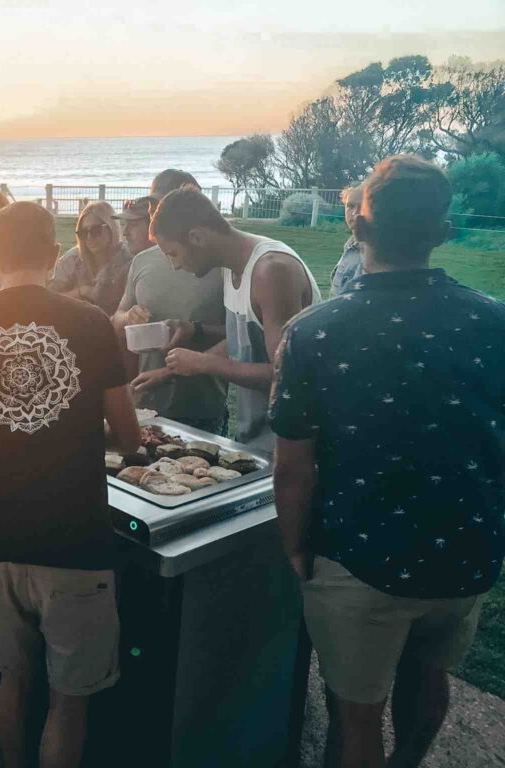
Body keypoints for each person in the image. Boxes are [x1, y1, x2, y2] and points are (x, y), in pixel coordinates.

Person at [270, 155, 505, 768]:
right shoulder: (495, 322)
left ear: (359, 230)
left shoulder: (313, 332)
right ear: (443, 233)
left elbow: (292, 465)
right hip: (465, 550)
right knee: (430, 673)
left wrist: (295, 547)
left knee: (355, 710)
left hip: (358, 557)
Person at [0, 201, 140, 768]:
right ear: (53, 255)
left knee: (13, 683)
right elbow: (129, 435)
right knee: (69, 701)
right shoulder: (91, 325)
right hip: (76, 541)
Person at [133, 186, 321, 448]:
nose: (174, 265)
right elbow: (241, 342)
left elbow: (286, 374)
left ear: (196, 237)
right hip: (258, 439)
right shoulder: (230, 268)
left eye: (173, 253)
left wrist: (203, 364)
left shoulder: (272, 271)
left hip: (295, 445)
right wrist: (171, 369)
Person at [112, 177, 227, 434]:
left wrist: (195, 330)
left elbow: (241, 337)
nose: (155, 215)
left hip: (202, 409)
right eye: (152, 208)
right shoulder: (142, 261)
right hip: (147, 405)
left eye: (161, 206)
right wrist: (128, 316)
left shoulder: (219, 265)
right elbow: (116, 318)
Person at [47, 200, 132, 315]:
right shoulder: (72, 260)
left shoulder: (129, 260)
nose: (89, 237)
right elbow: (49, 298)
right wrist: (82, 292)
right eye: (83, 232)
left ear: (111, 227)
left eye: (95, 230)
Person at [329, 185, 365, 297]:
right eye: (350, 206)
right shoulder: (351, 244)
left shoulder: (375, 251)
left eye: (363, 207)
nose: (355, 213)